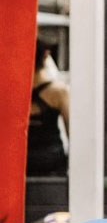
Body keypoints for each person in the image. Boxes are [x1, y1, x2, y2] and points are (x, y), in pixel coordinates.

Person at [27, 38, 70, 176]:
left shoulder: (12, 92)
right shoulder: (58, 92)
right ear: (45, 56)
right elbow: (72, 132)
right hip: (51, 161)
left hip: (23, 162)